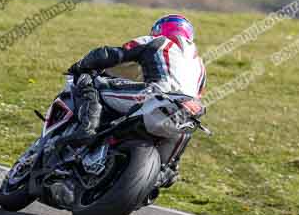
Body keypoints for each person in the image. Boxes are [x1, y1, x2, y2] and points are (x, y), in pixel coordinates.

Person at [67, 14, 206, 188]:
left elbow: (115, 54)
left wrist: (81, 66)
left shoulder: (158, 41)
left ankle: (86, 130)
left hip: (155, 97)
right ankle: (167, 170)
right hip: (185, 112)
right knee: (182, 137)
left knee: (94, 84)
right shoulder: (200, 66)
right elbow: (198, 95)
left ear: (159, 30)